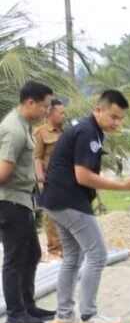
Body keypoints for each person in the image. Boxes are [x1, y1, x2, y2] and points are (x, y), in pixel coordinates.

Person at [42, 89, 130, 323]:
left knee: (73, 258)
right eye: (113, 117)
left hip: (55, 200)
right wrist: (122, 186)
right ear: (98, 110)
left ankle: (64, 316)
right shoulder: (88, 132)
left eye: (120, 119)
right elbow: (83, 176)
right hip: (70, 201)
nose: (117, 123)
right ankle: (88, 316)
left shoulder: (86, 128)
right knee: (97, 254)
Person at [0, 80, 53, 323]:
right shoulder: (14, 129)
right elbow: (2, 172)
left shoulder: (23, 125)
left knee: (32, 254)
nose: (47, 111)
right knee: (15, 258)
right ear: (30, 102)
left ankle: (28, 306)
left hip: (21, 200)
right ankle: (15, 313)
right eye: (45, 106)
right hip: (10, 201)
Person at [32, 97, 64, 259]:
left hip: (65, 180)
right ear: (50, 114)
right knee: (52, 216)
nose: (64, 116)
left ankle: (66, 249)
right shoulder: (40, 132)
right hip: (49, 179)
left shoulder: (65, 132)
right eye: (61, 113)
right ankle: (54, 250)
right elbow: (37, 158)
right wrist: (40, 181)